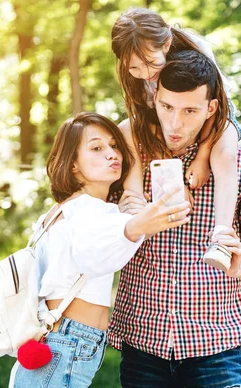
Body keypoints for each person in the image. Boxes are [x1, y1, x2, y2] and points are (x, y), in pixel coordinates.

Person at [108, 50, 241, 387]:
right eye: (167, 107)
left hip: (216, 348)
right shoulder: (126, 162)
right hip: (143, 345)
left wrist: (240, 266)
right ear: (154, 98)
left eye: (190, 111)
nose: (175, 123)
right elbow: (92, 229)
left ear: (211, 108)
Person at [11, 112, 191, 387]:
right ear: (72, 164)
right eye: (97, 148)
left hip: (58, 338)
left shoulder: (65, 210)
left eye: (114, 146)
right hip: (66, 341)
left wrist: (131, 220)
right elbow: (92, 257)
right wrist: (135, 227)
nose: (111, 154)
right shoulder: (88, 208)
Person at [111, 7, 241, 270]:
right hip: (164, 123)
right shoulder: (136, 74)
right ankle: (134, 202)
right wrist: (173, 176)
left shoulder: (195, 52)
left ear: (167, 44)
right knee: (124, 129)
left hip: (215, 118)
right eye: (134, 67)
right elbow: (146, 120)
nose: (144, 72)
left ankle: (222, 239)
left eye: (151, 63)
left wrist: (203, 156)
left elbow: (216, 110)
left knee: (226, 155)